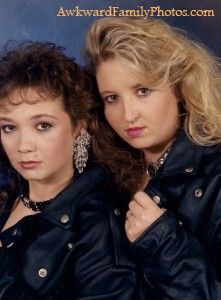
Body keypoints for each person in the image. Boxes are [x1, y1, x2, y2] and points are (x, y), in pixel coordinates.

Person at [84, 17, 221, 299]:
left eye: (143, 91)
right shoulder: (106, 168)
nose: (128, 115)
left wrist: (161, 240)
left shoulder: (216, 175)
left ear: (181, 89)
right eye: (112, 98)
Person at [0, 41, 149, 299]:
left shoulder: (98, 227)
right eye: (9, 128)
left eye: (43, 126)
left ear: (78, 127)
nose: (23, 146)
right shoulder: (9, 190)